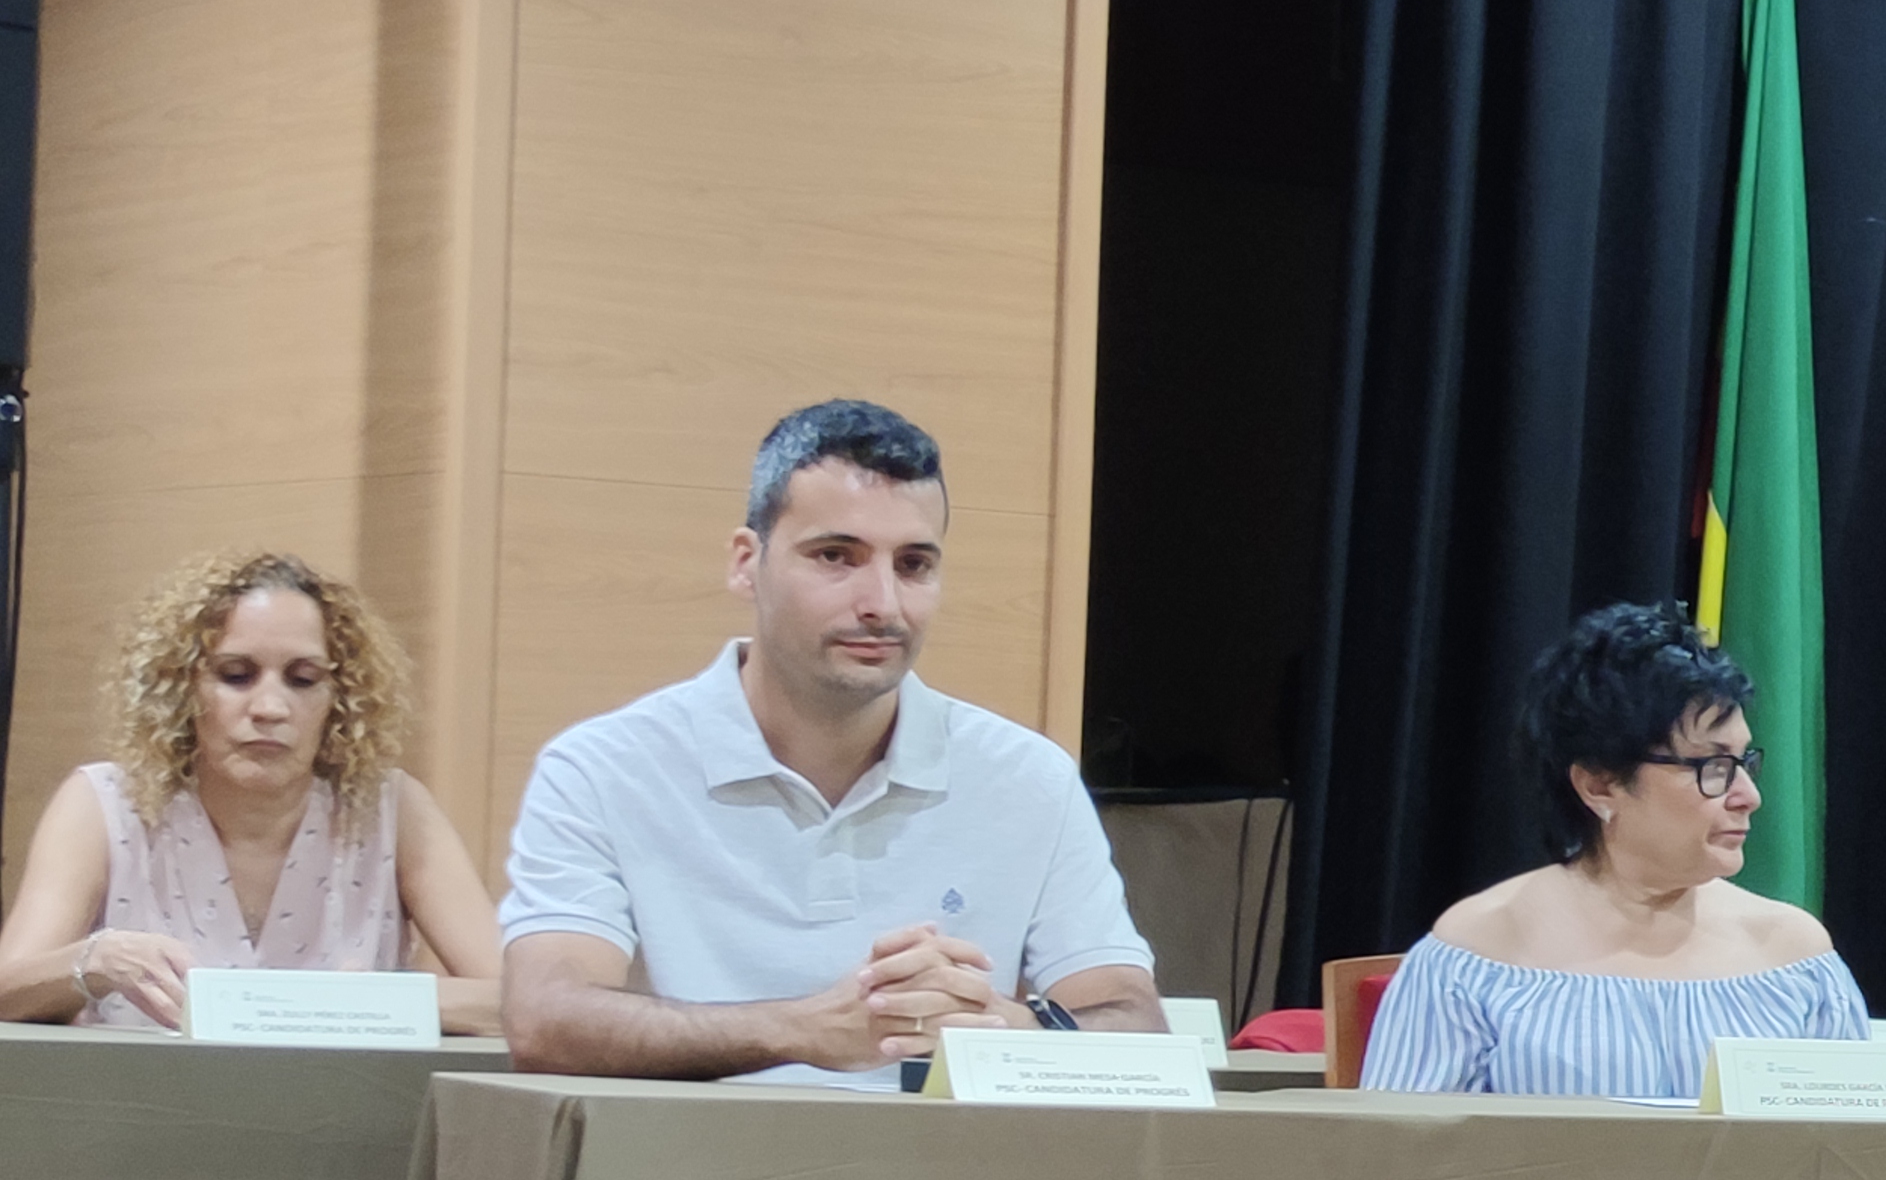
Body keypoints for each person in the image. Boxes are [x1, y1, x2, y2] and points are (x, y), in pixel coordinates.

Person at [496, 398, 1161, 1083]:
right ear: (745, 563)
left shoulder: (1029, 778)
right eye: (836, 557)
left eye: (913, 565)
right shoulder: (601, 769)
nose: (882, 603)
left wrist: (999, 1023)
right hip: (684, 1179)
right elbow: (545, 1020)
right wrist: (807, 1030)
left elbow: (1135, 1021)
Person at [1354, 605, 1866, 1098]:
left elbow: (1858, 1162)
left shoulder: (1793, 955)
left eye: (1743, 762)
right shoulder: (1474, 955)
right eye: (1712, 768)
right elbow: (1398, 1165)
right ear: (1600, 785)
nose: (1748, 797)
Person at [1, 553, 511, 1033]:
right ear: (181, 688)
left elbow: (517, 1000)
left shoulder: (392, 810)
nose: (270, 707)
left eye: (303, 679)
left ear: (340, 700)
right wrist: (91, 961)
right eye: (236, 676)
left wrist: (381, 1001)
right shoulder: (103, 802)